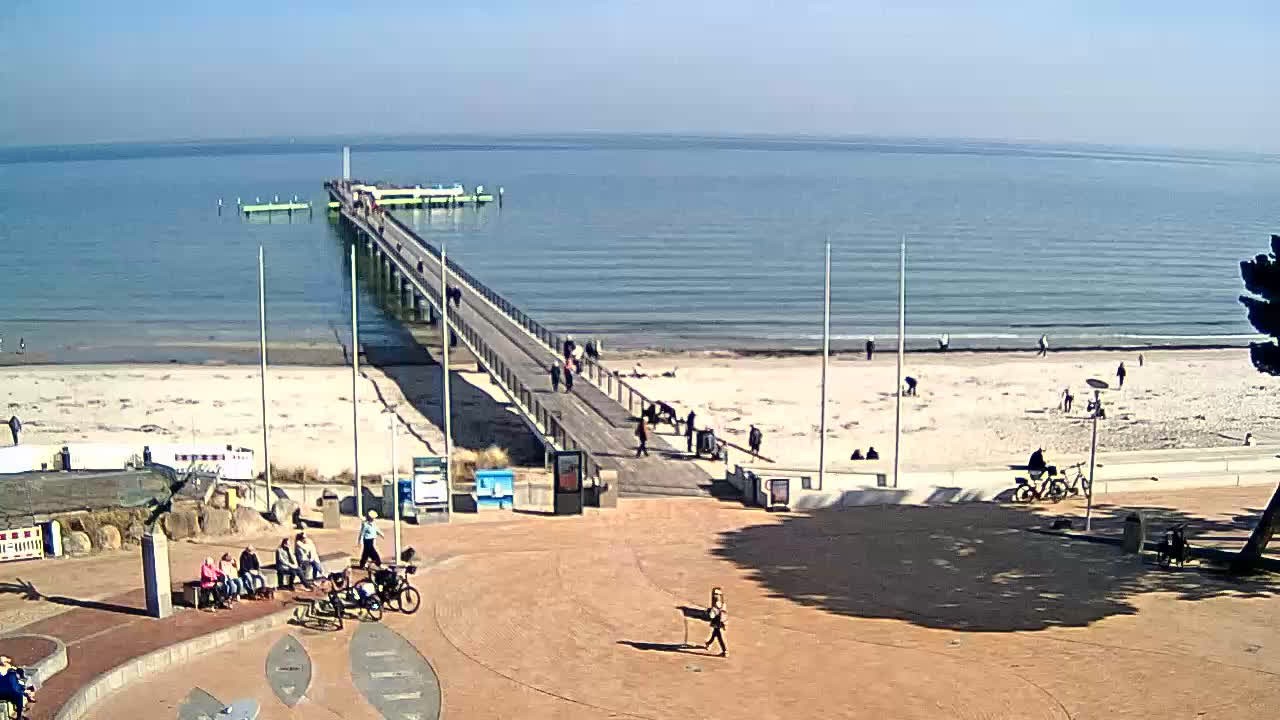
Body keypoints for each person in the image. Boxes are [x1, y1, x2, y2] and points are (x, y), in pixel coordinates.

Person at [0, 654, 36, 720]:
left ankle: (20, 711)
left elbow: (15, 685)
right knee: (18, 695)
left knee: (19, 691)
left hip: (5, 691)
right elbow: (14, 687)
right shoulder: (11, 674)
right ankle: (19, 716)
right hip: (4, 692)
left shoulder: (11, 672)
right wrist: (23, 691)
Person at [704, 587, 727, 657]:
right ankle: (708, 643)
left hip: (716, 623)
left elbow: (711, 616)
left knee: (719, 636)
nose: (715, 595)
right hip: (721, 622)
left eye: (716, 594)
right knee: (715, 633)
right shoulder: (723, 604)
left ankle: (725, 651)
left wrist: (708, 612)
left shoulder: (715, 606)